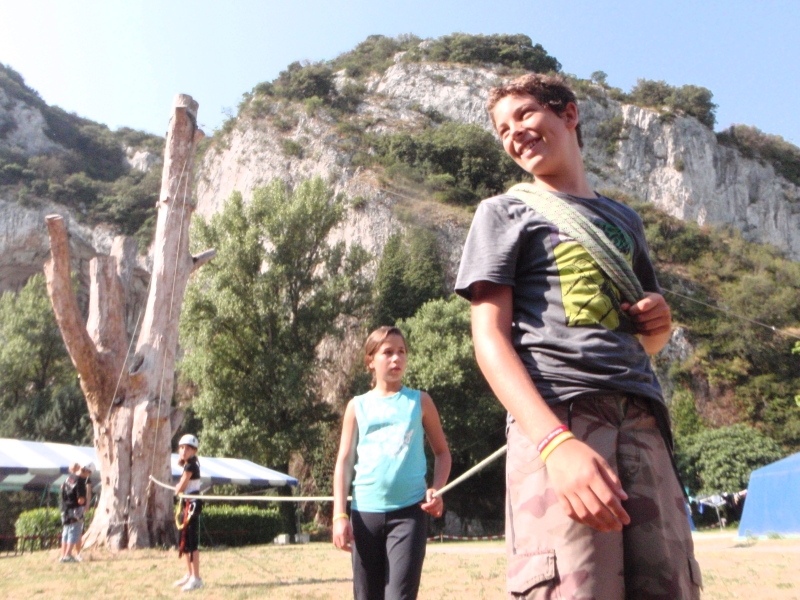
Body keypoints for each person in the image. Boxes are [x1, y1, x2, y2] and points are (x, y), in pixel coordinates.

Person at [454, 73, 702, 599]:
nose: (514, 133)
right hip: (559, 415)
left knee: (670, 585)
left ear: (568, 114)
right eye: (503, 129)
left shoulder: (625, 221)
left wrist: (658, 326)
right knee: (571, 588)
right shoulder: (502, 213)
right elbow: (489, 340)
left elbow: (646, 344)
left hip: (643, 418)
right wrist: (555, 444)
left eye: (524, 115)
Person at [332, 326, 452, 600]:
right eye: (388, 352)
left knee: (399, 596)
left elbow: (443, 453)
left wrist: (437, 488)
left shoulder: (420, 401)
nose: (397, 359)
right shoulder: (357, 407)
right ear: (371, 361)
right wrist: (339, 515)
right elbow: (344, 462)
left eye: (402, 352)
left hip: (409, 514)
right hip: (365, 514)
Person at [173, 433, 204, 592]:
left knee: (191, 541)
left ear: (194, 451)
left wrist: (177, 488)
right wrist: (178, 489)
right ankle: (189, 574)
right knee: (184, 539)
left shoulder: (191, 466)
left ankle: (196, 578)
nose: (184, 451)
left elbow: (182, 486)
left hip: (192, 504)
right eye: (182, 448)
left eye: (188, 448)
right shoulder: (186, 465)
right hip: (185, 503)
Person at [59, 462, 87, 563]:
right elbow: (80, 500)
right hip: (74, 509)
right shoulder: (79, 481)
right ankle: (68, 555)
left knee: (66, 532)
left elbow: (62, 490)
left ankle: (63, 555)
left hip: (65, 508)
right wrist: (84, 503)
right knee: (74, 532)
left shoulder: (68, 479)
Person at [73, 462, 94, 561]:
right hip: (77, 508)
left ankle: (66, 554)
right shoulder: (80, 481)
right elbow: (83, 496)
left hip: (69, 508)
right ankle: (76, 553)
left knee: (69, 532)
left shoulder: (70, 478)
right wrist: (86, 504)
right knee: (77, 532)